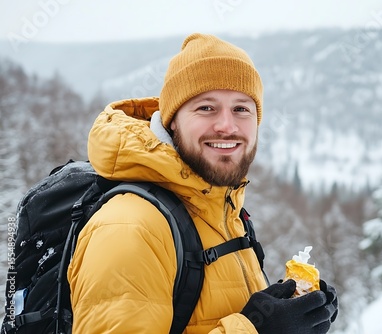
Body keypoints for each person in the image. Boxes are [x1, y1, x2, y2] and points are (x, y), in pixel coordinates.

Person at [67, 33, 338, 333]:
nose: (227, 125)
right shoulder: (131, 228)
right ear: (172, 120)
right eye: (206, 108)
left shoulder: (221, 211)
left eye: (241, 109)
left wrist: (290, 311)